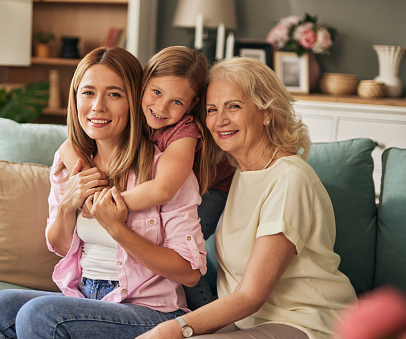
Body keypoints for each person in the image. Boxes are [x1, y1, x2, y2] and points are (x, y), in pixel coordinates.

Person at [0, 46, 207, 339]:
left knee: (42, 316)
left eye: (114, 94)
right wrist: (68, 205)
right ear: (75, 99)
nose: (98, 106)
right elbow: (60, 246)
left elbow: (189, 272)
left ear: (134, 100)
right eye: (88, 93)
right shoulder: (69, 164)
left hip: (151, 312)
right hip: (85, 299)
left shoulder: (165, 173)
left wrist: (118, 229)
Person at [137, 57, 357, 339]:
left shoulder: (289, 179)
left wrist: (173, 330)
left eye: (234, 106)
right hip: (249, 321)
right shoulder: (239, 172)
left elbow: (252, 295)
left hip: (305, 322)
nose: (220, 120)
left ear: (267, 112)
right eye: (212, 109)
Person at [60, 46, 235, 240]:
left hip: (214, 188)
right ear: (142, 85)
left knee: (184, 251)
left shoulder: (186, 132)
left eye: (176, 101)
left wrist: (103, 204)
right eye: (157, 92)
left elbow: (163, 188)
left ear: (192, 104)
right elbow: (67, 147)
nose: (161, 107)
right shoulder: (135, 112)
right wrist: (87, 180)